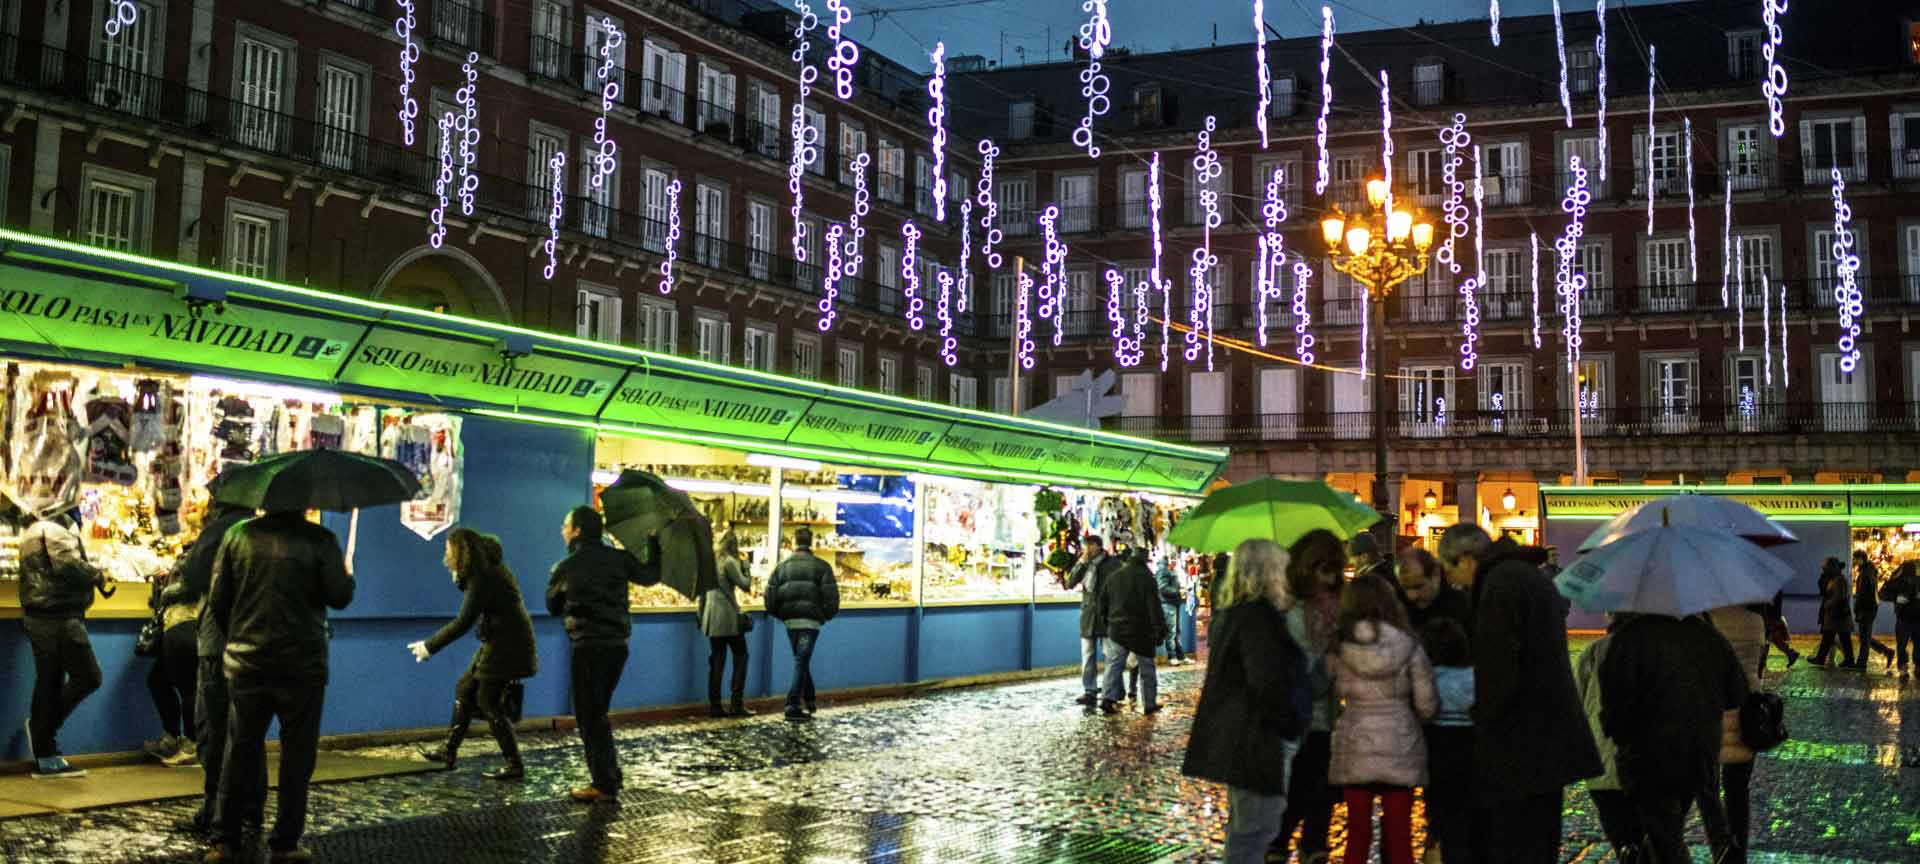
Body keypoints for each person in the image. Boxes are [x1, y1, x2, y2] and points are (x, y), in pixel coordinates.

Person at [1436, 523, 1600, 864]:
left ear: (1465, 559)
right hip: (1546, 742)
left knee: (1515, 844)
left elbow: (1498, 669)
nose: (1453, 581)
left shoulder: (1500, 585)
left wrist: (1479, 722)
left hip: (1522, 747)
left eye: (1450, 570)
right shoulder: (1525, 575)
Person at [204, 509, 355, 863]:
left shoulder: (237, 537)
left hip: (247, 664)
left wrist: (238, 637)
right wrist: (347, 576)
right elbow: (339, 597)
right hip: (302, 666)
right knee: (298, 756)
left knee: (239, 752)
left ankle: (224, 840)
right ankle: (285, 843)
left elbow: (218, 600)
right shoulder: (321, 540)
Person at [1181, 539, 1312, 864]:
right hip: (1256, 738)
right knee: (1256, 832)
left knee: (1246, 830)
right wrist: (1291, 722)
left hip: (1241, 736)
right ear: (1269, 572)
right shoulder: (1256, 616)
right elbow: (1266, 680)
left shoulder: (1235, 613)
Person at [1599, 613, 1749, 864]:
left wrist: (1619, 735)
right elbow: (1736, 694)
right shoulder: (1708, 635)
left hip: (1648, 756)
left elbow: (1614, 705)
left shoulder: (1630, 638)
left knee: (1665, 837)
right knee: (1665, 831)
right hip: (1698, 752)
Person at [546, 505, 660, 803]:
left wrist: (560, 587)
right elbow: (650, 575)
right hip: (617, 645)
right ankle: (610, 774)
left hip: (587, 645)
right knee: (598, 711)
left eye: (566, 525)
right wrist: (653, 543)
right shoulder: (619, 559)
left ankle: (603, 784)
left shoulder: (567, 566)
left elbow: (552, 605)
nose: (562, 531)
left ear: (578, 531)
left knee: (589, 715)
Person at [410, 528, 538, 780]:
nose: (446, 556)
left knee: (488, 700)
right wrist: (459, 578)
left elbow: (463, 621)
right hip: (499, 641)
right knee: (465, 689)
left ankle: (514, 764)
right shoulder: (485, 570)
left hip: (508, 645)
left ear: (461, 552)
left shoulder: (482, 578)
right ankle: (448, 751)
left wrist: (429, 646)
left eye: (449, 550)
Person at [1326, 573, 1437, 864]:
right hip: (1400, 742)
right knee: (1399, 837)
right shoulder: (1408, 644)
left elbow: (1330, 689)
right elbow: (1426, 703)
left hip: (1356, 741)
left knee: (1357, 835)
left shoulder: (1340, 645)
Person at [176, 500, 259, 836]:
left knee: (213, 731)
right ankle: (250, 808)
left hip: (219, 644)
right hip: (255, 647)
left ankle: (217, 811)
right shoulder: (265, 533)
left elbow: (192, 578)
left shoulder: (221, 533)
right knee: (247, 732)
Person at [1275, 529, 1347, 864]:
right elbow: (1303, 674)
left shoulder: (1333, 609)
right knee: (1299, 786)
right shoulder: (1292, 613)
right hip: (1297, 717)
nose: (1332, 579)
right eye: (1325, 570)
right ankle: (1282, 844)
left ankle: (1312, 845)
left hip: (1325, 718)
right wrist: (1330, 662)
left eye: (1336, 570)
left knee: (1319, 786)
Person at [19, 514, 109, 779]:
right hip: (59, 614)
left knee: (49, 682)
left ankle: (46, 754)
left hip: (39, 614)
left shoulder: (33, 528)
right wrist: (96, 575)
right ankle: (42, 731)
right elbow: (67, 564)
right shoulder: (54, 527)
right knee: (89, 677)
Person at [1702, 604, 1768, 864]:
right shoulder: (1756, 621)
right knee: (1738, 790)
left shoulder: (1707, 620)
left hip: (1714, 710)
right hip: (1748, 714)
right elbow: (1758, 666)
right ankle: (1738, 852)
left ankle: (1720, 847)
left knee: (1706, 786)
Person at [1573, 615, 1640, 864]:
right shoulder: (1661, 654)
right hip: (1648, 765)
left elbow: (1575, 705)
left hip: (1602, 764)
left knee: (1622, 839)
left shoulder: (1593, 652)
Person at [766, 526, 840, 722]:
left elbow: (770, 596)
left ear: (793, 542)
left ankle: (809, 699)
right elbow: (832, 598)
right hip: (811, 622)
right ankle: (792, 705)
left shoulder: (782, 567)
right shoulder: (822, 566)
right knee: (802, 660)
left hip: (790, 621)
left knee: (801, 660)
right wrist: (823, 616)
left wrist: (781, 614)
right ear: (811, 542)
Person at [1420, 617, 1477, 864]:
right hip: (1468, 748)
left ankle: (1437, 847)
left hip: (1437, 749)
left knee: (1439, 812)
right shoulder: (1474, 676)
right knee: (1463, 816)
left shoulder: (1430, 678)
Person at [1099, 543, 1167, 714]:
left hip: (1117, 629)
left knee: (1114, 665)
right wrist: (1160, 629)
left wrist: (1108, 623)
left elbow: (1102, 604)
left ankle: (1107, 698)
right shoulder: (1147, 578)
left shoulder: (1114, 576)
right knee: (1147, 669)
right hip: (1141, 631)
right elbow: (1154, 607)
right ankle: (1149, 703)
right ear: (1144, 561)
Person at [142, 566, 200, 765]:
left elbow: (193, 586)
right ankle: (172, 738)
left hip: (188, 624)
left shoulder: (201, 556)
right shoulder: (190, 557)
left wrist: (167, 589)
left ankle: (192, 745)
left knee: (188, 688)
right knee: (157, 680)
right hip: (175, 625)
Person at [700, 530, 755, 717]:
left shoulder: (709, 561)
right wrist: (746, 566)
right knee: (741, 656)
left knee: (717, 660)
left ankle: (715, 706)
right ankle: (736, 704)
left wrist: (702, 616)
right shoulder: (729, 561)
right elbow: (745, 585)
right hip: (727, 618)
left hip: (711, 618)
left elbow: (701, 593)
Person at [1063, 535, 1123, 706]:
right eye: (1085, 545)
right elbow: (1069, 583)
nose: (1087, 549)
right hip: (1088, 615)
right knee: (1088, 656)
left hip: (1106, 615)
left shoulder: (1113, 564)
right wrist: (1081, 564)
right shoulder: (1084, 563)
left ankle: (1113, 691)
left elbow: (1120, 586)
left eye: (1090, 545)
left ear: (1098, 546)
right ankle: (1089, 690)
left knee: (1111, 655)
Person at [1395, 547, 1473, 636]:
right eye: (1405, 588)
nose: (1412, 596)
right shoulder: (1397, 606)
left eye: (1418, 587)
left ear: (1436, 574)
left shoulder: (1461, 605)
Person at [1851, 550, 1896, 670]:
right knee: (1864, 636)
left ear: (1861, 559)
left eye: (1855, 559)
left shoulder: (1865, 574)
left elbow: (1863, 594)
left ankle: (1862, 663)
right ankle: (1887, 651)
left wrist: (1857, 608)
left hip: (1866, 609)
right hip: (1869, 608)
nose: (1854, 561)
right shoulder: (1869, 571)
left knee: (1864, 637)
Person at [1810, 558, 1855, 668]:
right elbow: (1823, 589)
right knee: (1832, 637)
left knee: (1841, 638)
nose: (1823, 569)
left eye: (1825, 567)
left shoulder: (1839, 580)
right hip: (1835, 614)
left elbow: (1839, 596)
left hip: (1838, 614)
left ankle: (1847, 660)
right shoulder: (1833, 578)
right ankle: (1822, 658)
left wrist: (1827, 604)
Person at [1880, 560, 1920, 679]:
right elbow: (1883, 593)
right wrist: (1897, 597)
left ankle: (1904, 667)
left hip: (1906, 617)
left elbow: (1882, 593)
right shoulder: (1902, 581)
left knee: (1903, 644)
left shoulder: (1898, 580)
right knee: (1915, 643)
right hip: (1911, 617)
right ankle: (1915, 666)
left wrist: (1896, 598)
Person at [1757, 590, 1801, 673]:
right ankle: (1790, 653)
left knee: (1768, 637)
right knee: (1770, 636)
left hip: (1770, 616)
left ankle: (1762, 663)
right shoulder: (1775, 588)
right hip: (1773, 615)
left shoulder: (1769, 589)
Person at [1156, 555, 1188, 665]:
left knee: (1176, 632)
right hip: (1168, 603)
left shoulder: (1169, 570)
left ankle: (1180, 656)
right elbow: (1162, 588)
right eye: (1173, 558)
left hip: (1173, 603)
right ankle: (1172, 656)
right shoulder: (1163, 571)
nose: (1175, 560)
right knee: (1171, 632)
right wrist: (1177, 591)